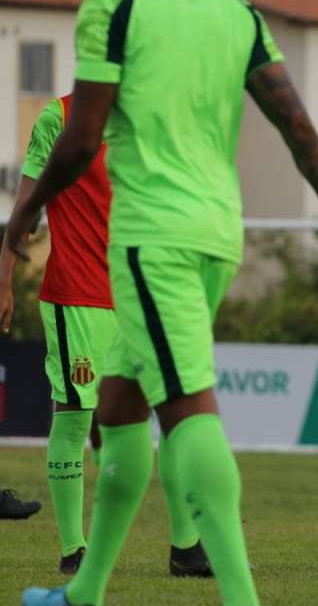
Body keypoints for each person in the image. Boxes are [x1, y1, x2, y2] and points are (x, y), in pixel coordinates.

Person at [14, 0, 318, 604]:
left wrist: (21, 219)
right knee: (119, 406)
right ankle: (84, 591)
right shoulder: (236, 10)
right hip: (216, 233)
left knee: (186, 407)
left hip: (152, 238)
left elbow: (81, 139)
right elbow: (297, 126)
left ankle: (240, 596)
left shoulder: (113, 1)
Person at [0, 95, 213, 578]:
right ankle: (73, 551)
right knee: (75, 418)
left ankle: (187, 548)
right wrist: (4, 276)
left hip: (142, 295)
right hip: (78, 296)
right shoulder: (58, 117)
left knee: (176, 416)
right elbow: (28, 206)